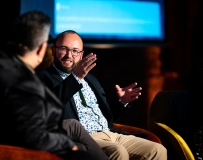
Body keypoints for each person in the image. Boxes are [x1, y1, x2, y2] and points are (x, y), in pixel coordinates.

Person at [0, 11, 108, 160]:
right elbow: (34, 137)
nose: (68, 54)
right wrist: (70, 145)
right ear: (42, 49)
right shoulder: (25, 82)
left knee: (74, 129)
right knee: (83, 154)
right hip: (2, 146)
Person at [36, 30, 168, 160]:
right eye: (64, 49)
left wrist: (120, 102)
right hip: (83, 137)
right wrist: (75, 78)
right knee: (118, 152)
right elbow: (50, 107)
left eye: (75, 51)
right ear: (53, 50)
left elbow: (105, 117)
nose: (69, 55)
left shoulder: (91, 79)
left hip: (110, 133)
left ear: (81, 55)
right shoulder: (42, 78)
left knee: (157, 150)